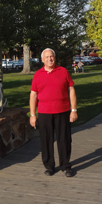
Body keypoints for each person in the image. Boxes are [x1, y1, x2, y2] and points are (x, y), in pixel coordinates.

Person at [29, 48, 78, 177]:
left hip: (63, 111)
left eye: (51, 56)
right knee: (46, 140)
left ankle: (65, 166)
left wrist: (73, 110)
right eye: (47, 57)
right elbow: (33, 95)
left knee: (64, 139)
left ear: (55, 58)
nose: (49, 59)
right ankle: (49, 166)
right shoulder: (37, 75)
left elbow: (71, 90)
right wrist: (32, 115)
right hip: (44, 113)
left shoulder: (63, 71)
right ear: (42, 60)